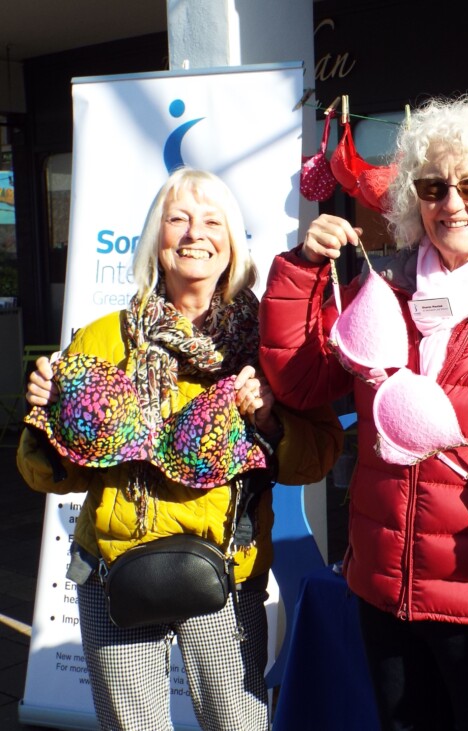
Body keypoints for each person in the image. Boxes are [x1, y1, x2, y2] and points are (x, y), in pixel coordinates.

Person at [259, 95, 468, 730]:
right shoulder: (379, 293)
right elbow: (301, 382)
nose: (451, 204)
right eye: (434, 187)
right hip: (384, 592)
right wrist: (302, 271)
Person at [17, 167, 344, 731]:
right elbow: (51, 475)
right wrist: (48, 421)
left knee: (237, 723)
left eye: (213, 221)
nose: (196, 233)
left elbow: (318, 457)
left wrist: (267, 419)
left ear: (232, 242)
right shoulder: (100, 338)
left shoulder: (270, 345)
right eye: (178, 219)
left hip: (227, 570)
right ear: (155, 240)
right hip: (111, 569)